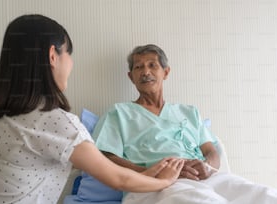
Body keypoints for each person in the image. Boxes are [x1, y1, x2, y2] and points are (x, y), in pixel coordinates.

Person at [0, 16, 184, 204]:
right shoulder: (53, 121)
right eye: (69, 54)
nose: (71, 63)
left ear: (166, 72)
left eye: (152, 65)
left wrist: (148, 174)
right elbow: (118, 178)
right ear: (53, 55)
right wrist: (165, 180)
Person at [92, 44, 277, 204]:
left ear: (166, 72)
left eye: (152, 65)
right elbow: (106, 157)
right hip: (154, 184)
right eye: (138, 67)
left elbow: (211, 151)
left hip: (204, 177)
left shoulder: (189, 112)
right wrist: (154, 172)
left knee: (264, 196)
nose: (145, 72)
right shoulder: (119, 112)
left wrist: (207, 166)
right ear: (131, 77)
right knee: (201, 201)